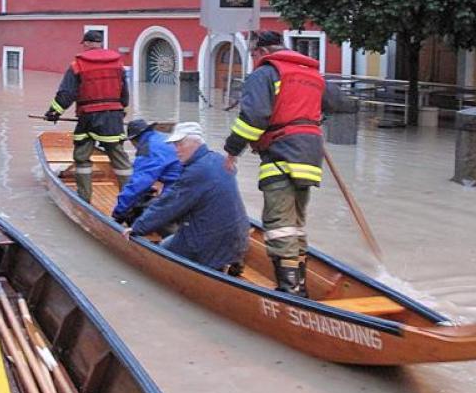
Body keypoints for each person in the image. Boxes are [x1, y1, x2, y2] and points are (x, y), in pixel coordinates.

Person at [222, 31, 332, 297]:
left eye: (252, 55)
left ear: (261, 52)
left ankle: (290, 289)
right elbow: (336, 104)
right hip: (310, 153)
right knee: (295, 222)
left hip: (281, 153)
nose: (252, 61)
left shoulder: (264, 74)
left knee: (278, 222)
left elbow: (254, 118)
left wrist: (232, 150)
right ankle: (300, 284)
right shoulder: (312, 75)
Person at [127, 122, 249, 272]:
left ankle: (216, 264)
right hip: (238, 240)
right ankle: (228, 261)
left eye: (180, 144)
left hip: (208, 243)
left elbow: (168, 206)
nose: (176, 150)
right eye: (174, 145)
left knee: (158, 254)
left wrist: (137, 228)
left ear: (196, 142)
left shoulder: (196, 172)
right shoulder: (218, 160)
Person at [45, 31, 132, 202]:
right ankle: (130, 199)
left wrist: (54, 112)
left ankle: (84, 199)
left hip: (88, 117)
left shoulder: (77, 65)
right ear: (100, 43)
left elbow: (66, 93)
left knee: (82, 157)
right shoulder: (118, 65)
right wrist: (120, 111)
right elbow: (124, 94)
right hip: (113, 117)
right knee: (120, 159)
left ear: (85, 44)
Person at [111, 119, 182, 225]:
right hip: (188, 182)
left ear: (134, 140)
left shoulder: (147, 150)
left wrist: (118, 212)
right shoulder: (161, 137)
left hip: (181, 189)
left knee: (145, 211)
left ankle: (166, 232)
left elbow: (137, 185)